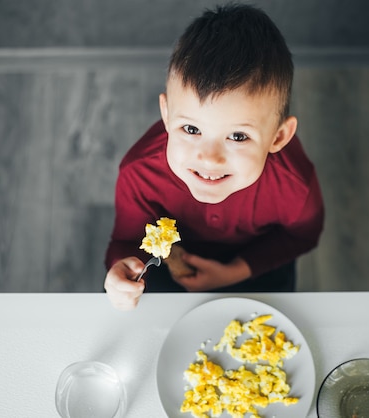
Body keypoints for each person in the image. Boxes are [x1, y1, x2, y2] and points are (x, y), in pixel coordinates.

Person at [104, 3, 324, 310]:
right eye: (191, 128)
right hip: (169, 268)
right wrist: (120, 272)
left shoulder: (294, 184)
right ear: (167, 115)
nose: (209, 158)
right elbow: (126, 241)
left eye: (237, 136)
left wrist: (237, 271)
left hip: (256, 264)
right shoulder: (140, 172)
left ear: (278, 137)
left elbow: (302, 236)